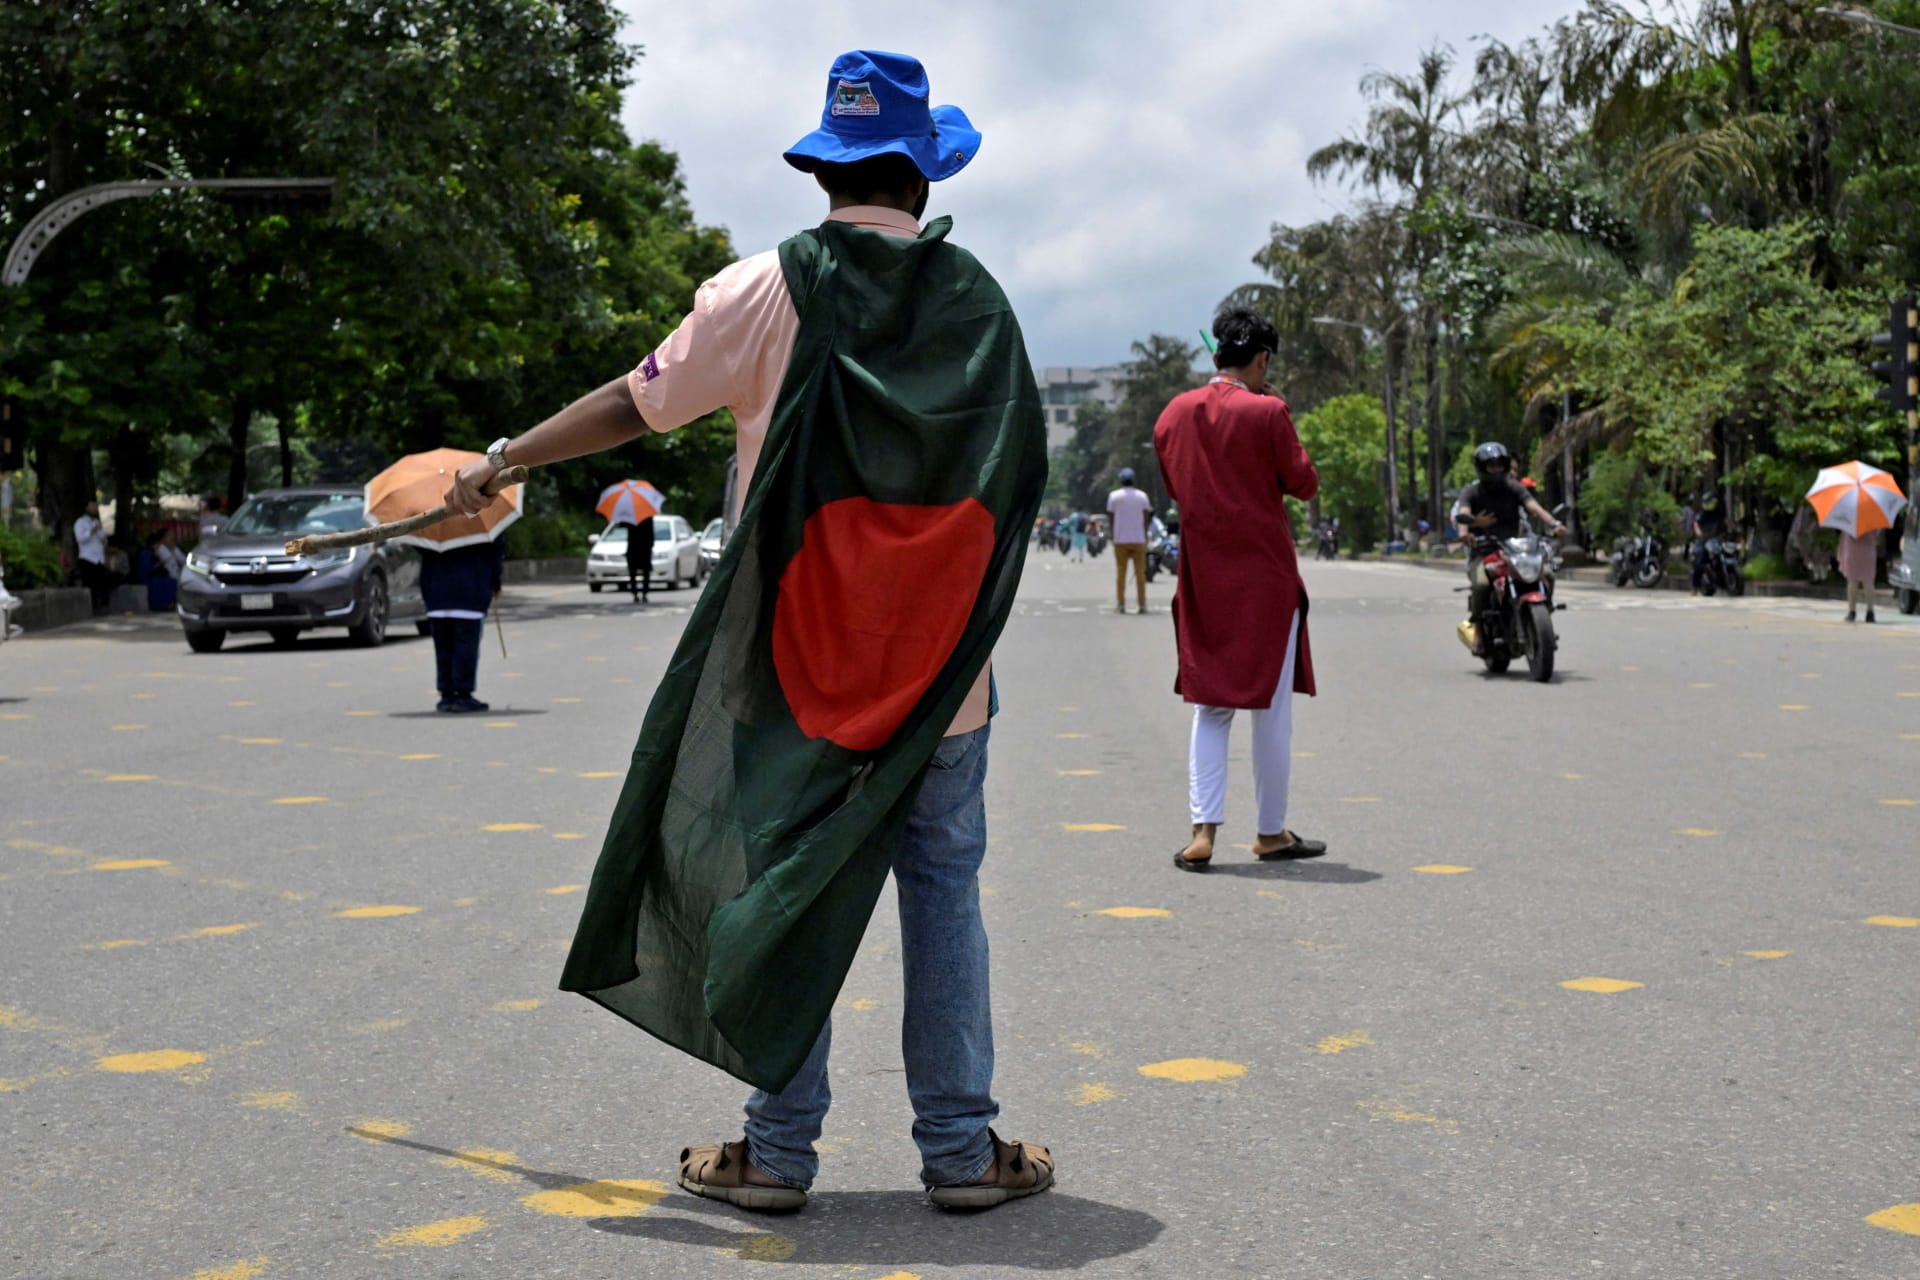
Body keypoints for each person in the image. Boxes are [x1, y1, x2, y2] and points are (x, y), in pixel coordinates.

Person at [442, 49, 1051, 1214]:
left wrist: (505, 458)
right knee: (943, 892)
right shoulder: (978, 302)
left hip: (794, 674)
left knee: (785, 885)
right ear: (922, 177)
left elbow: (635, 401)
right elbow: (1012, 477)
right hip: (939, 684)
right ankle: (963, 1151)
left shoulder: (760, 289)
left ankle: (776, 1150)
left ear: (827, 169)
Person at [1156, 306, 1326, 872]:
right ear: (1262, 359)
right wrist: (1275, 414)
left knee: (1211, 709)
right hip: (1265, 583)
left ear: (1215, 355)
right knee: (1271, 714)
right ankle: (1271, 833)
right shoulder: (1269, 411)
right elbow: (1303, 484)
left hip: (1204, 578)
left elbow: (1177, 480)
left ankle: (1202, 833)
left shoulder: (1173, 414)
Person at [1453, 443, 1566, 648]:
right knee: (1481, 585)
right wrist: (1469, 529)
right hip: (1484, 552)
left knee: (1547, 573)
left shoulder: (1514, 488)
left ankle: (1543, 612)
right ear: (1481, 467)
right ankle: (1478, 627)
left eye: (1499, 465)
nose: (1496, 470)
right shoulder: (1471, 491)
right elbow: (1463, 514)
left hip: (1514, 550)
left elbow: (1534, 508)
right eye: (1491, 466)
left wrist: (1554, 524)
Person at [417, 539, 504, 712]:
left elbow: (421, 549)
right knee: (466, 646)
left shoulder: (432, 523)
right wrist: (495, 583)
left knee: (443, 648)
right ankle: (463, 694)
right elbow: (495, 553)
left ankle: (446, 694)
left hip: (437, 594)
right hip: (470, 592)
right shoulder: (482, 522)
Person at [1107, 468, 1153, 613]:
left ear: (1121, 480)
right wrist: (1145, 535)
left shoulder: (1114, 496)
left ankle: (1121, 604)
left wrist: (1113, 535)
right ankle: (1142, 604)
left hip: (1120, 540)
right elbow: (1146, 518)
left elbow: (1111, 518)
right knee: (1140, 573)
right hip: (1139, 539)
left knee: (1121, 573)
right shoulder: (1142, 496)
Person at [73, 500, 110, 614]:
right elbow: (80, 539)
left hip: (99, 559)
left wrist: (103, 538)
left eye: (96, 506)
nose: (94, 508)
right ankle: (92, 608)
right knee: (90, 584)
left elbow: (102, 539)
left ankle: (102, 606)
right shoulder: (80, 522)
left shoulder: (96, 522)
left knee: (102, 583)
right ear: (86, 508)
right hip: (87, 558)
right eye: (92, 506)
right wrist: (92, 531)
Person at [1838, 527, 1879, 623]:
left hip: (1851, 550)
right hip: (1868, 550)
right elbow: (1876, 533)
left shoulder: (1848, 518)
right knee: (1868, 583)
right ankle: (1870, 612)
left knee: (1852, 583)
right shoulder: (1873, 517)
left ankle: (1852, 612)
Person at [1691, 498, 1726, 594]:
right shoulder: (1702, 515)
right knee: (1699, 561)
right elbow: (1696, 524)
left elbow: (1724, 524)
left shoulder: (1718, 513)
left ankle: (1723, 583)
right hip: (1703, 541)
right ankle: (1695, 586)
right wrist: (1699, 533)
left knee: (1721, 557)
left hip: (1715, 540)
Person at [623, 514, 655, 604]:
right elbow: (651, 534)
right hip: (640, 549)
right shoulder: (646, 517)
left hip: (637, 549)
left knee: (639, 572)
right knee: (639, 572)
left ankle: (640, 593)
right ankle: (639, 593)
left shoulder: (631, 517)